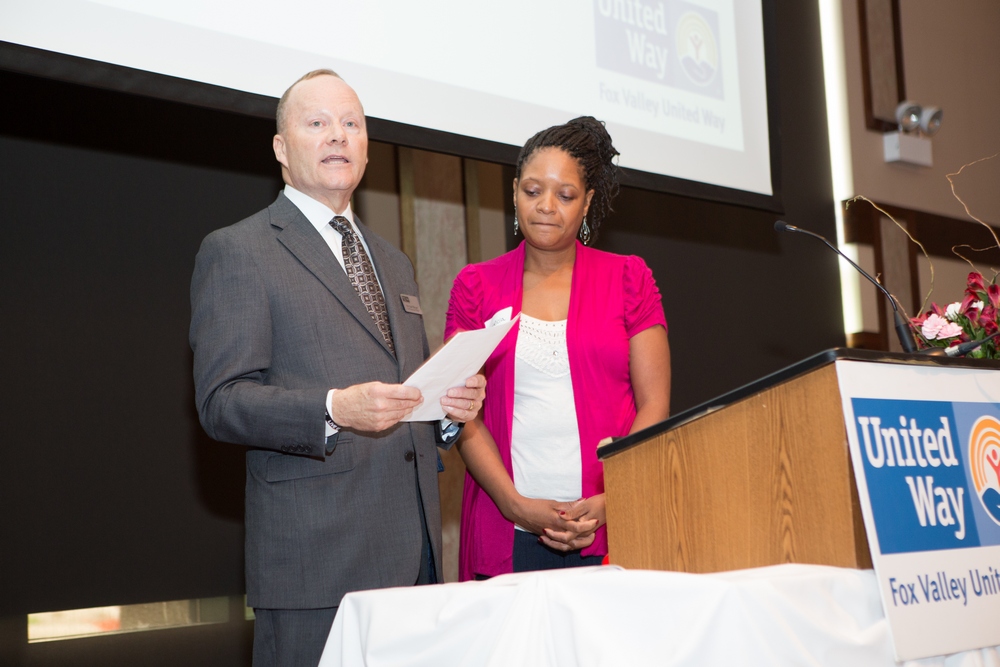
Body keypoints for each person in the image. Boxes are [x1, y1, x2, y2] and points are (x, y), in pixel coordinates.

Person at [189, 69, 485, 666]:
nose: (337, 136)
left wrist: (447, 411)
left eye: (351, 123)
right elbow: (221, 401)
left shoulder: (394, 261)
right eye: (317, 123)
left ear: (367, 147)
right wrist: (332, 409)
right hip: (315, 566)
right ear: (281, 148)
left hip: (415, 561)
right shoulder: (239, 250)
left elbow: (405, 394)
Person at [445, 117, 670, 580]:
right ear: (514, 192)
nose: (547, 206)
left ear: (586, 202)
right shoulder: (476, 286)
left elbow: (654, 404)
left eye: (565, 195)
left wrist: (614, 499)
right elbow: (463, 414)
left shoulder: (629, 278)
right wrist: (515, 505)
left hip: (614, 523)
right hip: (508, 529)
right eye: (532, 191)